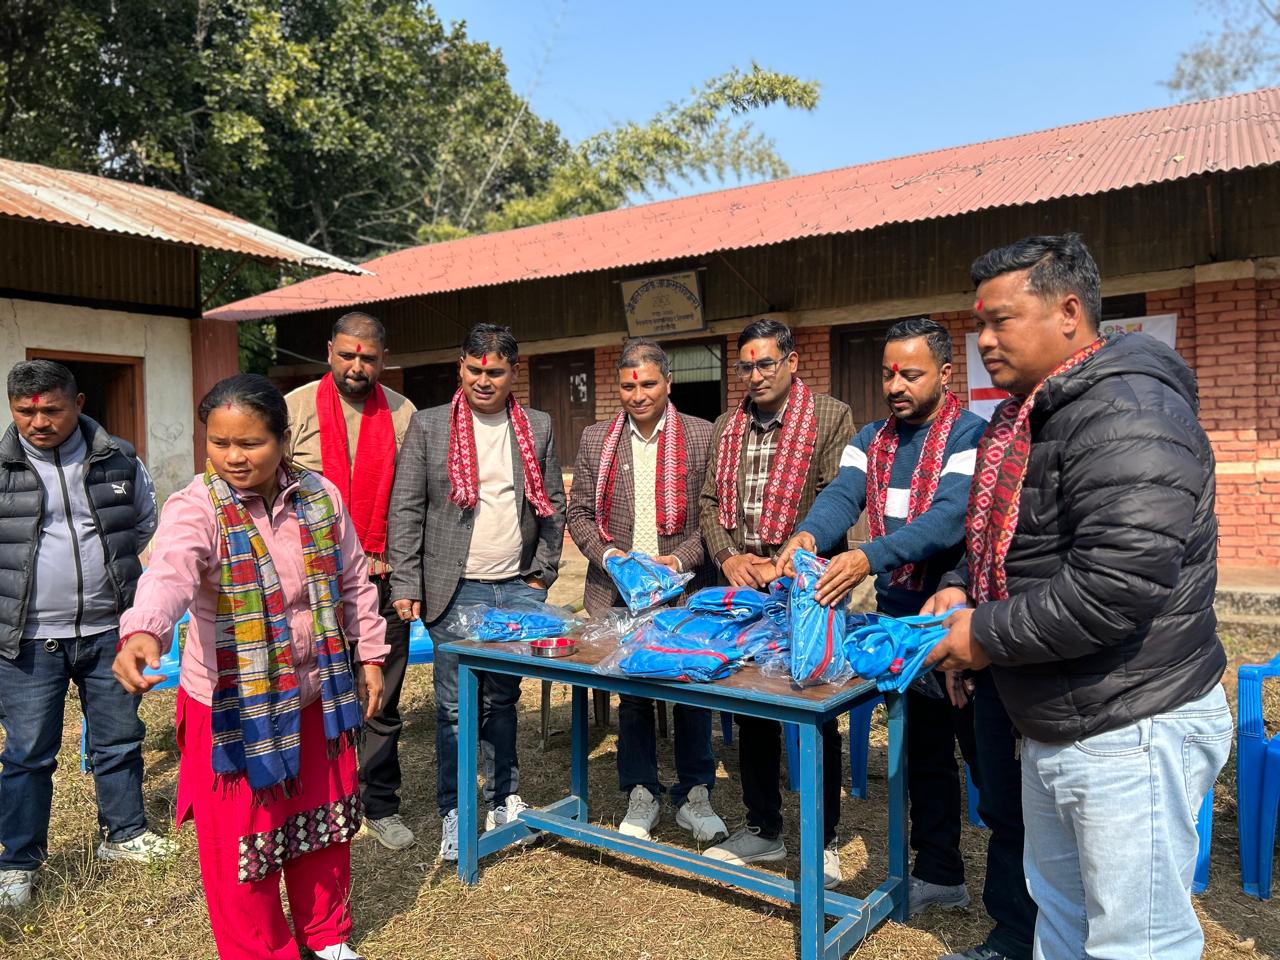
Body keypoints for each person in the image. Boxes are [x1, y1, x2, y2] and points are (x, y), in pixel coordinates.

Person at [924, 234, 1230, 960]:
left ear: (1068, 312)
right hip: (1062, 709)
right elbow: (1002, 536)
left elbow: (1115, 585)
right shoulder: (1027, 416)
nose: (984, 341)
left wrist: (982, 635)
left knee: (1135, 940)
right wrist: (959, 582)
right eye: (980, 324)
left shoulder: (1128, 410)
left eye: (1001, 320)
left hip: (1130, 716)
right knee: (1061, 921)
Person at [775, 320, 1036, 960]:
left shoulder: (972, 435)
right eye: (889, 373)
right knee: (922, 756)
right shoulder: (871, 440)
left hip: (959, 623)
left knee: (991, 769)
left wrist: (869, 556)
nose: (896, 385)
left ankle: (1026, 914)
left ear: (944, 374)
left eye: (911, 374)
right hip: (900, 625)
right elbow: (843, 496)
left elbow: (949, 518)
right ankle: (940, 872)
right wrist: (810, 534)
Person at [114, 374, 387, 960]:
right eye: (219, 443)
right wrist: (143, 630)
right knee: (244, 841)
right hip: (236, 709)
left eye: (250, 443)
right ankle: (259, 950)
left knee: (323, 819)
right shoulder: (197, 508)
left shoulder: (320, 495)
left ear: (283, 441)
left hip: (316, 691)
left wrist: (370, 653)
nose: (233, 457)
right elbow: (169, 572)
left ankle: (327, 934)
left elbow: (354, 580)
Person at [388, 323, 566, 862]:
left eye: (495, 372)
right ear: (460, 367)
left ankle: (504, 797)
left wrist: (540, 576)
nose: (483, 381)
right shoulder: (428, 426)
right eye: (474, 369)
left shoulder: (536, 426)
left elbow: (552, 504)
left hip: (516, 587)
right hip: (454, 588)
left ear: (514, 373)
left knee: (503, 699)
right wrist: (406, 581)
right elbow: (406, 508)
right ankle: (456, 808)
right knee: (453, 708)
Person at [0, 359, 173, 911]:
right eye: (24, 412)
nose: (38, 422)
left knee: (119, 739)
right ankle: (17, 862)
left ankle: (123, 833)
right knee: (28, 753)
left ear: (77, 403)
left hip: (110, 630)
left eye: (51, 410)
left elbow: (145, 525)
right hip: (26, 639)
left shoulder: (118, 458)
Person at [698, 318, 854, 888]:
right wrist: (728, 557)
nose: (756, 375)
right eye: (746, 366)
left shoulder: (830, 417)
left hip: (807, 585)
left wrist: (783, 562)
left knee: (814, 709)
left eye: (766, 363)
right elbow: (709, 501)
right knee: (750, 706)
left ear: (791, 361)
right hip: (743, 586)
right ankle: (763, 828)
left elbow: (838, 500)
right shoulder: (727, 424)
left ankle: (824, 839)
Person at [567, 338, 725, 843]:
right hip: (619, 593)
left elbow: (712, 515)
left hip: (684, 590)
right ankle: (641, 790)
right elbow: (578, 513)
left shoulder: (701, 435)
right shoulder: (597, 439)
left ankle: (695, 793)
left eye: (649, 384)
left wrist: (678, 560)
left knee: (691, 690)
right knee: (632, 694)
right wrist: (610, 556)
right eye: (628, 386)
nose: (638, 395)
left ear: (668, 383)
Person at [285, 311, 418, 851]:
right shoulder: (293, 409)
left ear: (383, 359)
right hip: (308, 588)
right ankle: (320, 801)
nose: (356, 367)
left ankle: (379, 803)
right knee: (311, 698)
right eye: (347, 355)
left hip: (382, 578)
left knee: (380, 698)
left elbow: (413, 501)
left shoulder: (403, 413)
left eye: (367, 358)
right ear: (329, 352)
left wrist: (408, 578)